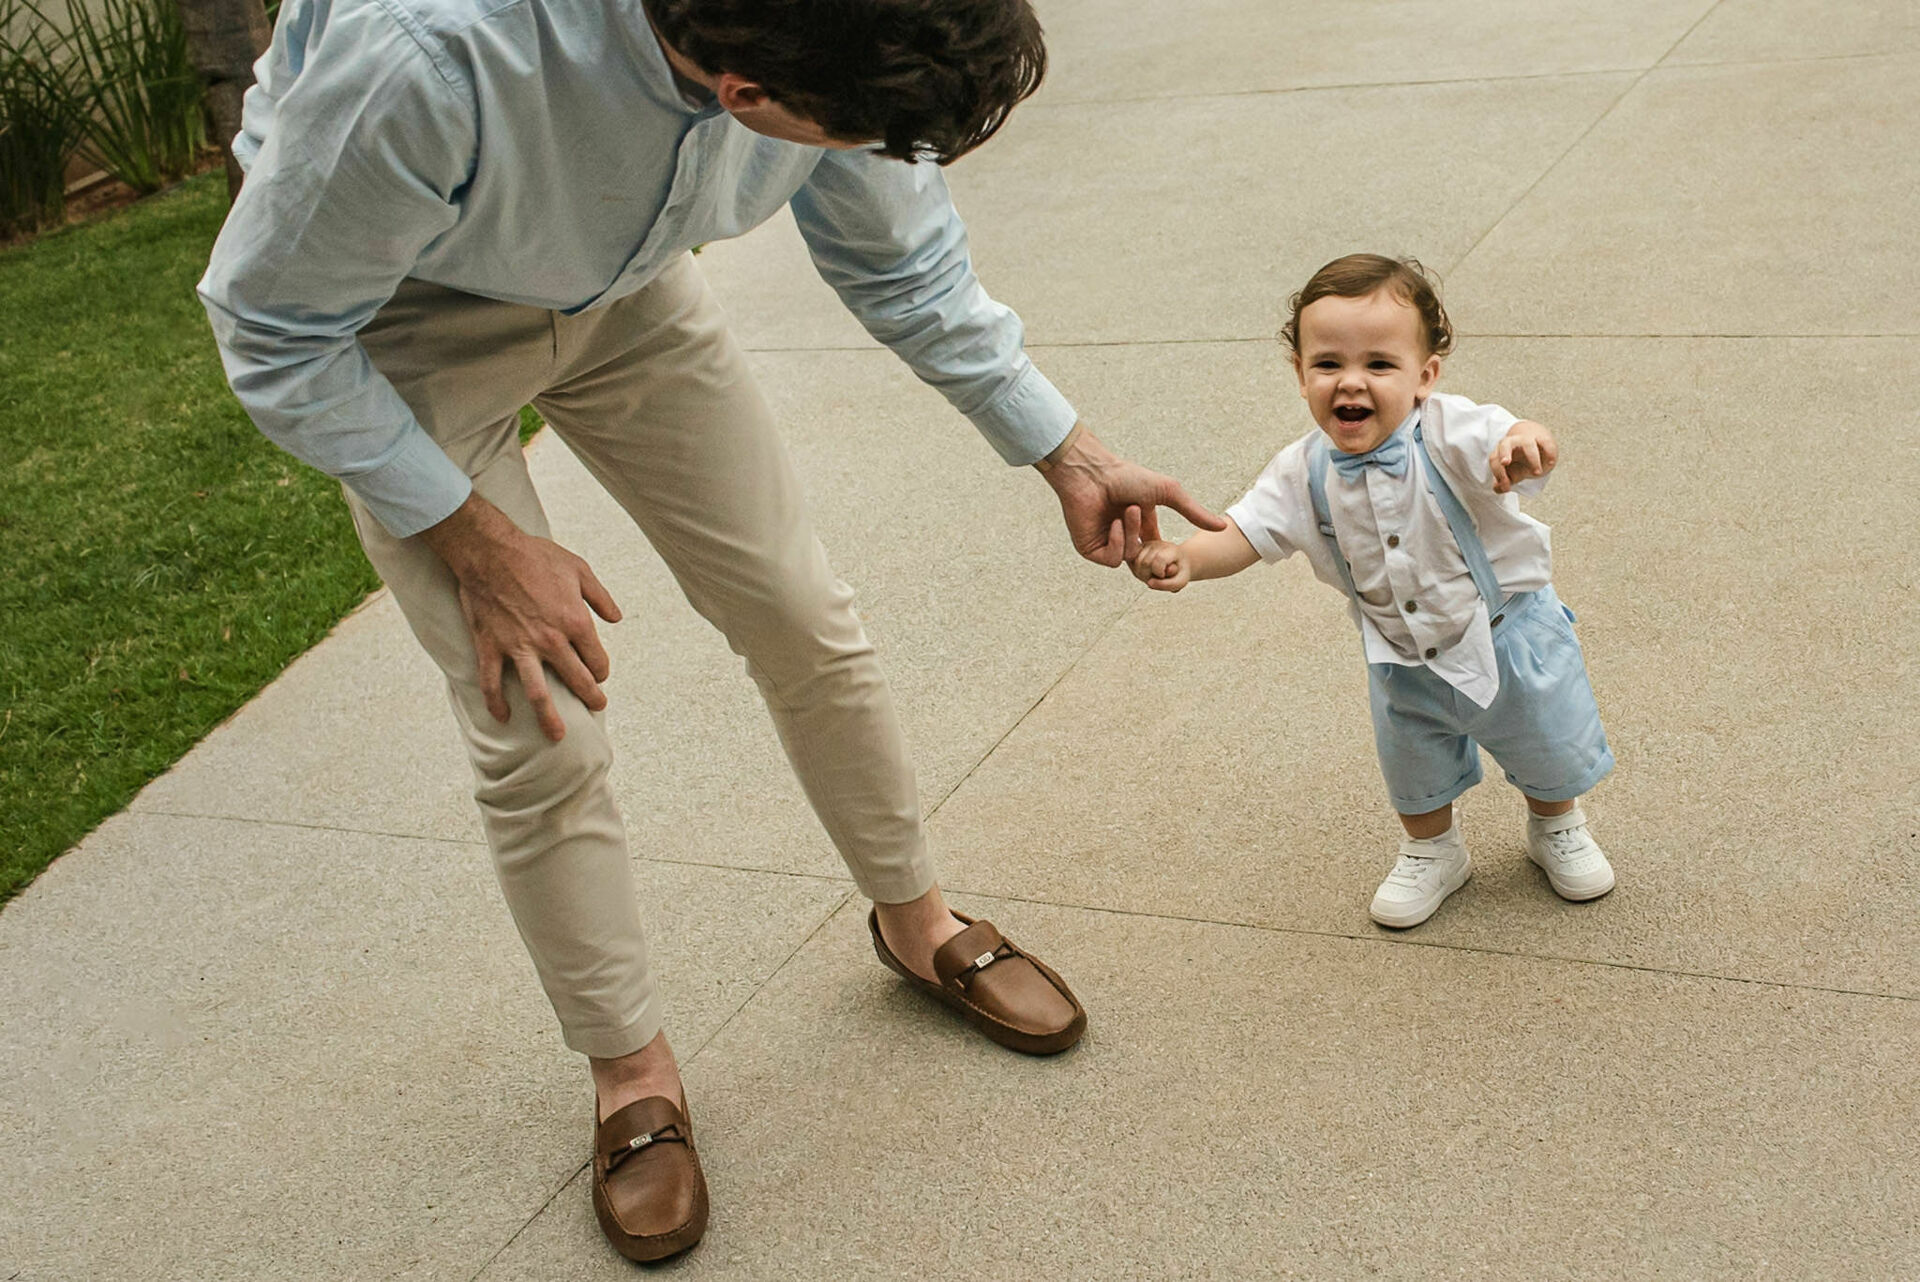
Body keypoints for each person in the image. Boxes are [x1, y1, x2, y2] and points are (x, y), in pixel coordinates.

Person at [196, 0, 1224, 1262]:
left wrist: (1067, 450)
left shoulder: (839, 37)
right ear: (743, 98)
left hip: (629, 296)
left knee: (802, 613)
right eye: (845, 139)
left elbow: (904, 265)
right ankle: (629, 1072)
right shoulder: (426, 57)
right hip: (400, 322)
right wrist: (476, 539)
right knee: (540, 720)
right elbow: (272, 328)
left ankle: (916, 925)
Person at [1131, 253, 1616, 931]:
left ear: (1425, 377)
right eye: (1328, 363)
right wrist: (1186, 557)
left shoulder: (1447, 429)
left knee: (1544, 741)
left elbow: (1506, 432)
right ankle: (1433, 850)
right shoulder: (1300, 471)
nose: (1351, 381)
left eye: (1380, 364)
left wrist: (1525, 442)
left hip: (1505, 635)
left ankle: (1555, 825)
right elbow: (1245, 531)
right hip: (1401, 658)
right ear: (1300, 373)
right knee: (1413, 765)